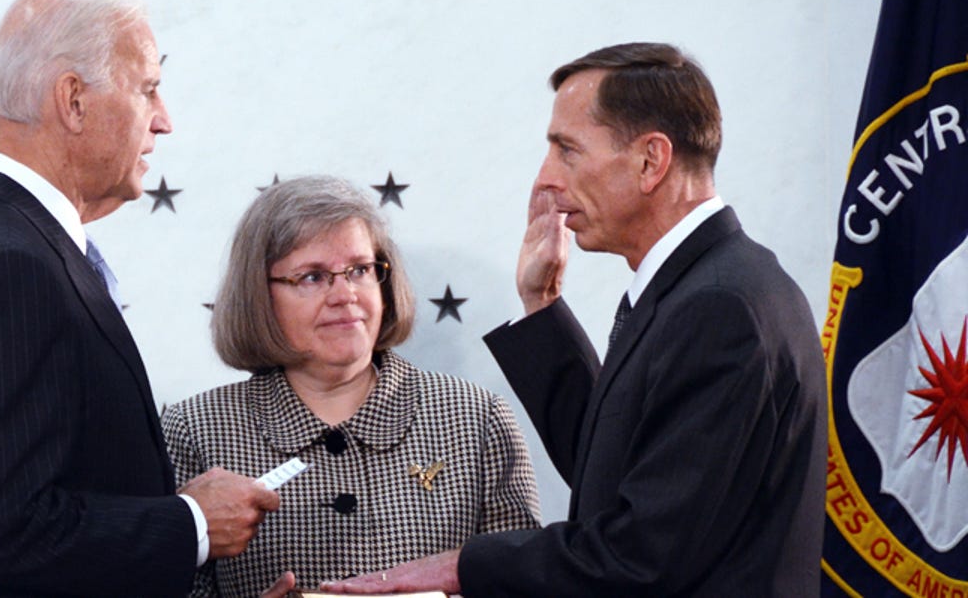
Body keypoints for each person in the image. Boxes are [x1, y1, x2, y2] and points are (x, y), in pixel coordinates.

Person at [323, 42, 827, 596]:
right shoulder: (701, 284)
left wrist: (461, 565)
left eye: (568, 151)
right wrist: (542, 305)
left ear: (650, 161)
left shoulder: (720, 307)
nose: (545, 180)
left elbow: (642, 555)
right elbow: (613, 472)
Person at [0, 0, 278, 597]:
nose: (164, 120)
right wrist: (192, 522)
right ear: (73, 99)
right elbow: (7, 532)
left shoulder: (5, 241)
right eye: (148, 88)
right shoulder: (9, 268)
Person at [161, 175, 541, 596]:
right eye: (312, 277)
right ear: (259, 295)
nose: (345, 295)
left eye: (360, 270)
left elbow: (523, 582)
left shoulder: (475, 416)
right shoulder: (194, 430)